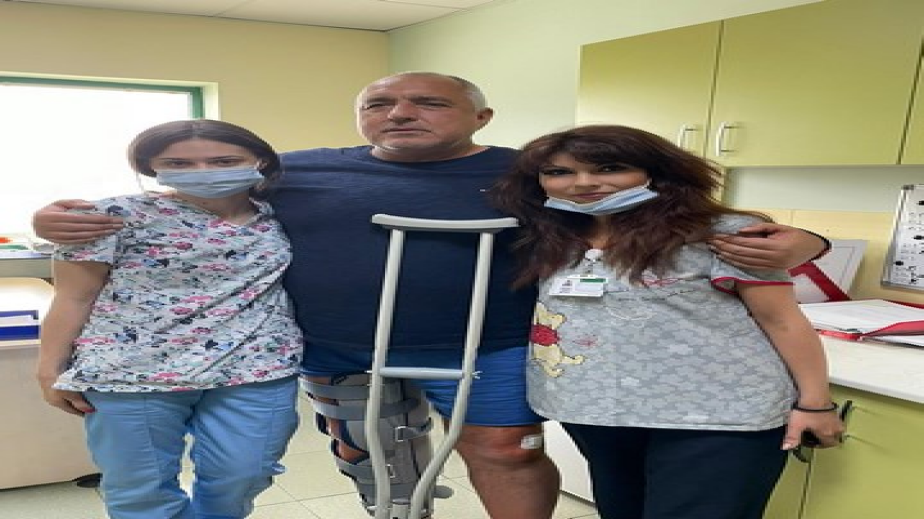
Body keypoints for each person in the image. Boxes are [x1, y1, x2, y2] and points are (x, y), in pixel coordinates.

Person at [31, 72, 830, 519]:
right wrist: (50, 221)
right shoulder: (293, 169)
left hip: (492, 345)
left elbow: (670, 215)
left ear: (480, 114)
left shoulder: (537, 172)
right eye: (380, 103)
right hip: (341, 348)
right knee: (375, 456)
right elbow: (187, 198)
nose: (401, 113)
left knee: (504, 449)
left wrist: (808, 241)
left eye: (428, 102)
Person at [490, 124, 845, 519]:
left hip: (719, 416)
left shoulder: (719, 235)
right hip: (596, 412)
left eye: (610, 168)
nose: (583, 183)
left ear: (657, 172)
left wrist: (816, 404)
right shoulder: (544, 235)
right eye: (559, 172)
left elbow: (782, 320)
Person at [36, 120, 303, 519]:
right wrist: (48, 369)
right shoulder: (111, 216)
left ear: (260, 161)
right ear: (152, 167)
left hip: (257, 365)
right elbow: (74, 296)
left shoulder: (283, 214)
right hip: (130, 371)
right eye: (179, 163)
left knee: (245, 474)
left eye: (224, 161)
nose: (203, 172)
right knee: (139, 490)